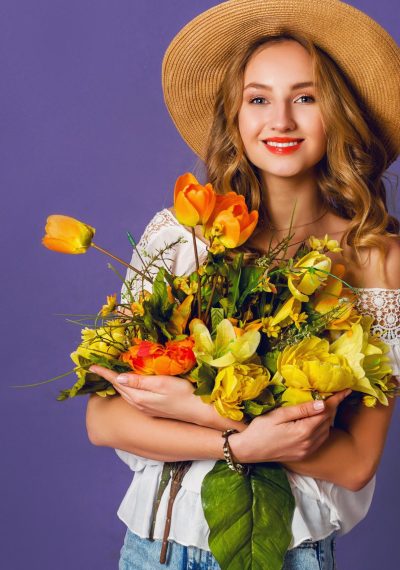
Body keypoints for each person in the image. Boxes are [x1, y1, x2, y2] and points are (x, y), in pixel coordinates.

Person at [86, 1, 400, 568]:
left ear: (338, 113)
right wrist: (236, 440)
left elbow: (355, 462)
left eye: (305, 98)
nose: (280, 121)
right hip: (153, 551)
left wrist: (198, 410)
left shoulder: (377, 259)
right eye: (258, 99)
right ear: (234, 115)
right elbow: (103, 419)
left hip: (290, 554)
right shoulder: (181, 238)